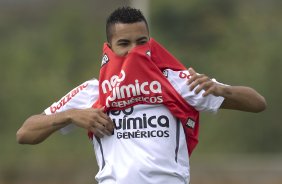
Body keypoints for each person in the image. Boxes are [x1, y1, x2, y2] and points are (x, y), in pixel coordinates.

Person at [16, 6, 266, 184]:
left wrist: (222, 90)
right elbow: (25, 133)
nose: (134, 51)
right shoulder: (94, 90)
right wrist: (71, 116)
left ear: (151, 43)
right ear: (110, 48)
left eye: (141, 42)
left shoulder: (178, 81)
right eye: (124, 44)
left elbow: (257, 103)